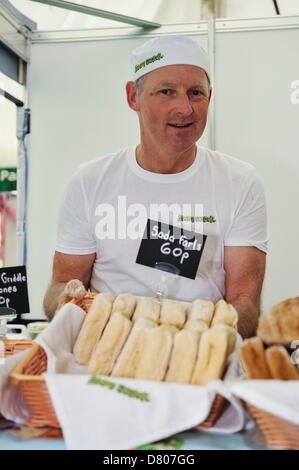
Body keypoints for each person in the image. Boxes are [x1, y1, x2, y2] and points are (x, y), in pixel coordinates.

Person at [43, 35, 268, 338]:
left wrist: (188, 338)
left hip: (200, 361)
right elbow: (61, 285)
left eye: (195, 93)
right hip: (104, 359)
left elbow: (245, 304)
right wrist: (68, 304)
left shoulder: (240, 183)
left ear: (210, 97)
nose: (185, 108)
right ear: (133, 97)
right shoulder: (90, 182)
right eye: (166, 92)